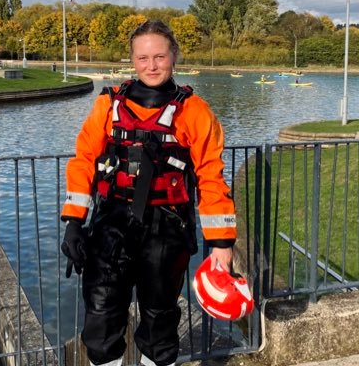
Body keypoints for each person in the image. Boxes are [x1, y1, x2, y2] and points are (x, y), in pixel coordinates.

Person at [60, 20, 237, 366]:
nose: (151, 65)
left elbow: (211, 177)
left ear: (174, 57)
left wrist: (221, 243)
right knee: (101, 311)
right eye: (143, 58)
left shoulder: (194, 111)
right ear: (132, 60)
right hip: (111, 223)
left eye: (159, 56)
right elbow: (83, 161)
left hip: (166, 228)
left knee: (159, 319)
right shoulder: (108, 106)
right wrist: (72, 223)